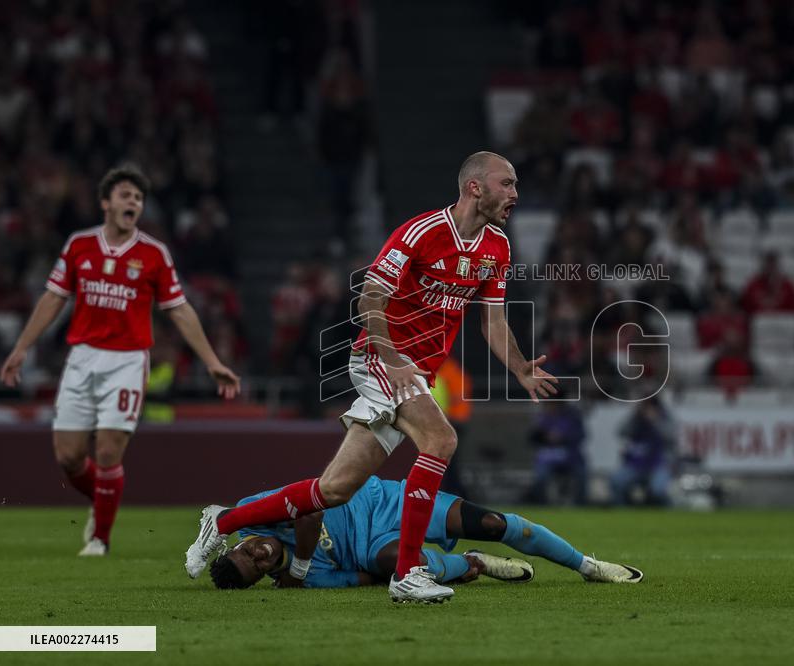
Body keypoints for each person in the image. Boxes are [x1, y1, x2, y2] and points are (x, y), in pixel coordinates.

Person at [187, 151, 558, 604]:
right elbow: (369, 299)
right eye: (508, 184)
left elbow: (492, 321)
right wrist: (393, 356)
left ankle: (223, 521)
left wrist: (520, 368)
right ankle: (407, 574)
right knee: (441, 440)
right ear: (474, 187)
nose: (515, 194)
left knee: (336, 490)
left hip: (413, 372)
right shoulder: (422, 232)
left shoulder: (496, 247)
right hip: (379, 359)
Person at [0, 164, 241, 556]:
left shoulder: (153, 253)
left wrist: (211, 360)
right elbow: (53, 298)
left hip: (128, 360)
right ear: (106, 202)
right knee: (69, 457)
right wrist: (22, 347)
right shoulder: (80, 245)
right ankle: (103, 501)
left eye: (138, 198)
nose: (133, 202)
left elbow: (179, 309)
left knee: (108, 451)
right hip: (82, 358)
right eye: (126, 195)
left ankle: (100, 539)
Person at [208, 475, 643, 592]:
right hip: (377, 546)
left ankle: (588, 566)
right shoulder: (305, 580)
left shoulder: (254, 512)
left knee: (493, 522)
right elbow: (360, 579)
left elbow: (309, 510)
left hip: (386, 500)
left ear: (239, 541)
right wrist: (394, 569)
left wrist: (299, 567)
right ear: (260, 578)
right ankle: (470, 564)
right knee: (396, 565)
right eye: (256, 566)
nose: (259, 553)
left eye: (247, 551)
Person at [612, 397, 676, 506]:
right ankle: (622, 513)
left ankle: (667, 510)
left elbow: (670, 436)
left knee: (658, 490)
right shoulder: (636, 420)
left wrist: (655, 421)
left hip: (658, 465)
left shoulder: (665, 420)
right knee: (616, 482)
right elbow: (621, 431)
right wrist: (634, 416)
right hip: (636, 465)